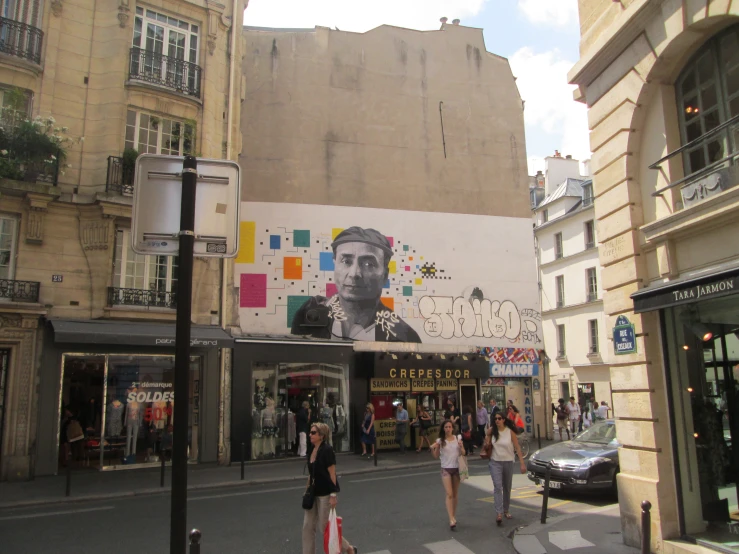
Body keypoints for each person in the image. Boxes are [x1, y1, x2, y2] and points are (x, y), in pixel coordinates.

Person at [291, 227, 421, 342]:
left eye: (368, 264)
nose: (354, 273)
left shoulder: (402, 337)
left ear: (385, 275)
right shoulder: (309, 313)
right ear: (334, 264)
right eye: (346, 261)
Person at [302, 423, 358, 554]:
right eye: (310, 432)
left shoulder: (327, 450)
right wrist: (306, 490)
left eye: (313, 432)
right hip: (312, 493)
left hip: (325, 493)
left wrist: (333, 494)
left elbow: (332, 474)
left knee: (325, 526)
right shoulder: (311, 449)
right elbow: (311, 473)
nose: (310, 435)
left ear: (321, 435)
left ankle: (348, 548)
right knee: (307, 526)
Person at [486, 412, 526, 525]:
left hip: (508, 461)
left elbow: (517, 448)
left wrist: (522, 464)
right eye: (495, 419)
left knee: (507, 487)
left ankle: (506, 510)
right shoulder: (492, 431)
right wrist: (487, 439)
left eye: (499, 418)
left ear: (503, 420)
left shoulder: (510, 432)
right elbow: (487, 440)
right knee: (498, 486)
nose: (497, 420)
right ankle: (499, 513)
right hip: (495, 462)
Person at [431, 420, 464, 530]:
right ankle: (450, 519)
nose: (448, 429)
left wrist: (461, 446)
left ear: (452, 428)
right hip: (446, 468)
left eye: (449, 427)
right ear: (443, 429)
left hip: (456, 468)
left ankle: (453, 516)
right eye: (446, 427)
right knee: (449, 493)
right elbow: (435, 456)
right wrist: (434, 448)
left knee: (455, 494)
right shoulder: (440, 440)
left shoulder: (457, 438)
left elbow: (463, 453)